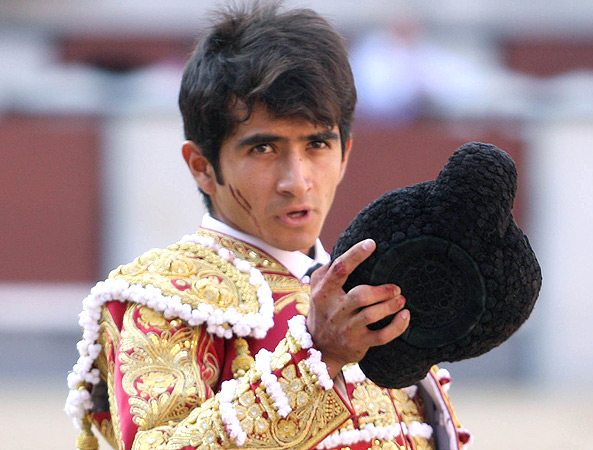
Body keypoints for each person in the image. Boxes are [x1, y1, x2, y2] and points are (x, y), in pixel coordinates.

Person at [65, 3, 471, 450]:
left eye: (317, 144)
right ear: (202, 166)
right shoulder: (165, 300)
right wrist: (317, 356)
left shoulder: (373, 289)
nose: (296, 181)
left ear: (345, 154)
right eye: (263, 149)